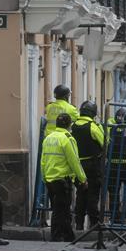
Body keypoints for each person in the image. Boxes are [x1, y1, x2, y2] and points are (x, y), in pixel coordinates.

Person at [41, 112, 87, 241]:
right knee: (61, 209)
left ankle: (68, 236)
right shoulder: (68, 138)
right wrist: (82, 179)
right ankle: (56, 236)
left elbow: (43, 160)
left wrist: (44, 176)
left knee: (60, 209)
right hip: (62, 179)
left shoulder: (48, 138)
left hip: (49, 179)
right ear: (69, 125)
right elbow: (74, 161)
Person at [71, 101, 104, 232]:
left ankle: (79, 224)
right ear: (93, 113)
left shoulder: (73, 126)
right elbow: (104, 143)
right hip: (92, 166)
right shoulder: (92, 127)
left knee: (80, 194)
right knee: (93, 195)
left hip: (78, 165)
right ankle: (94, 225)